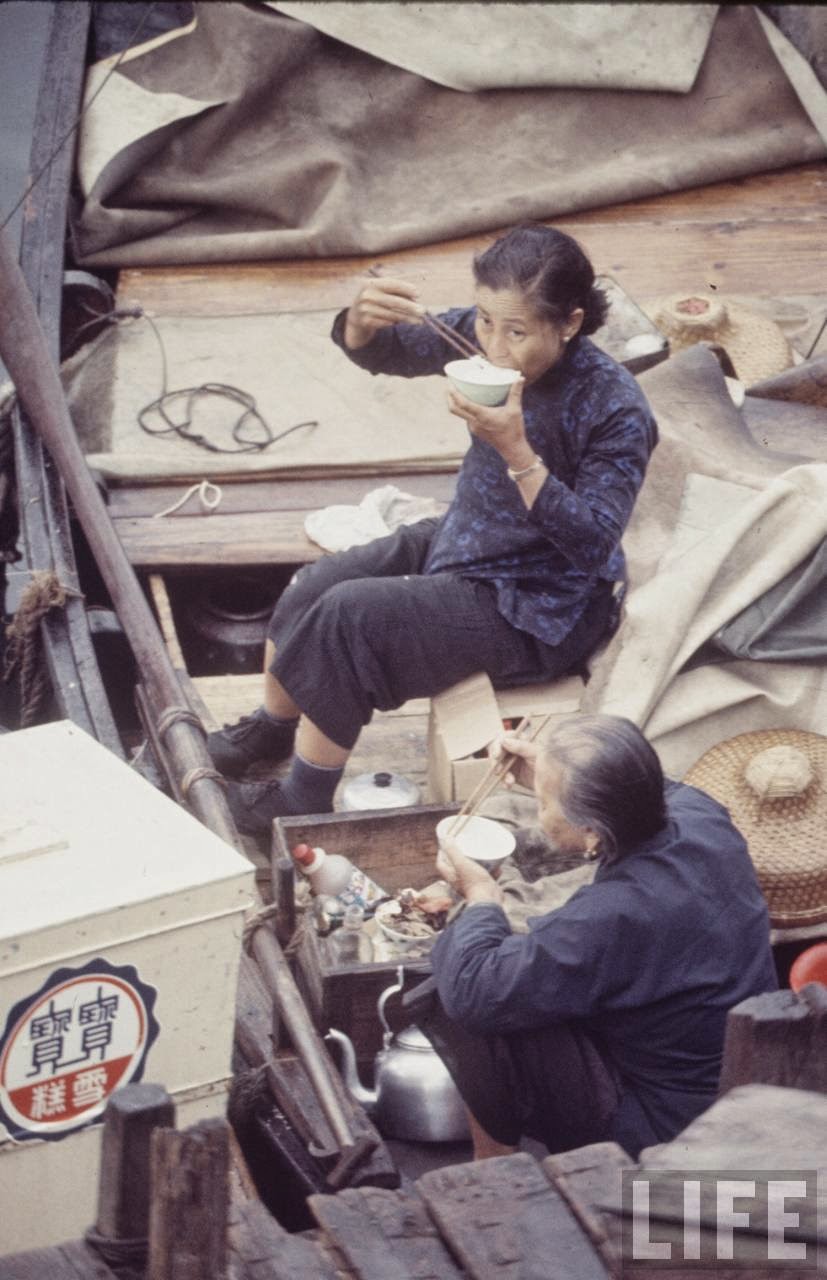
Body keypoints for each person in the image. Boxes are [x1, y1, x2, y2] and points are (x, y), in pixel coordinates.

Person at [207, 225, 658, 833]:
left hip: (540, 603)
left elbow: (594, 543)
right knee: (315, 584)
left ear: (570, 323)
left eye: (517, 333)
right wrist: (360, 323)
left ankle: (303, 798)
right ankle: (272, 727)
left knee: (351, 617)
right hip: (468, 538)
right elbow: (391, 351)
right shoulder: (488, 333)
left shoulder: (615, 408)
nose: (494, 347)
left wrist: (518, 452)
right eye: (485, 321)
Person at [405, 714, 779, 1161]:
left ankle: (494, 1171)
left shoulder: (615, 913)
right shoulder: (701, 815)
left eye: (544, 803)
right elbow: (643, 786)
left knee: (459, 988)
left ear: (591, 832)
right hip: (742, 1068)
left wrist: (481, 895)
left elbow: (474, 989)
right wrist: (552, 768)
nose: (539, 810)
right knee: (502, 969)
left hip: (672, 1123)